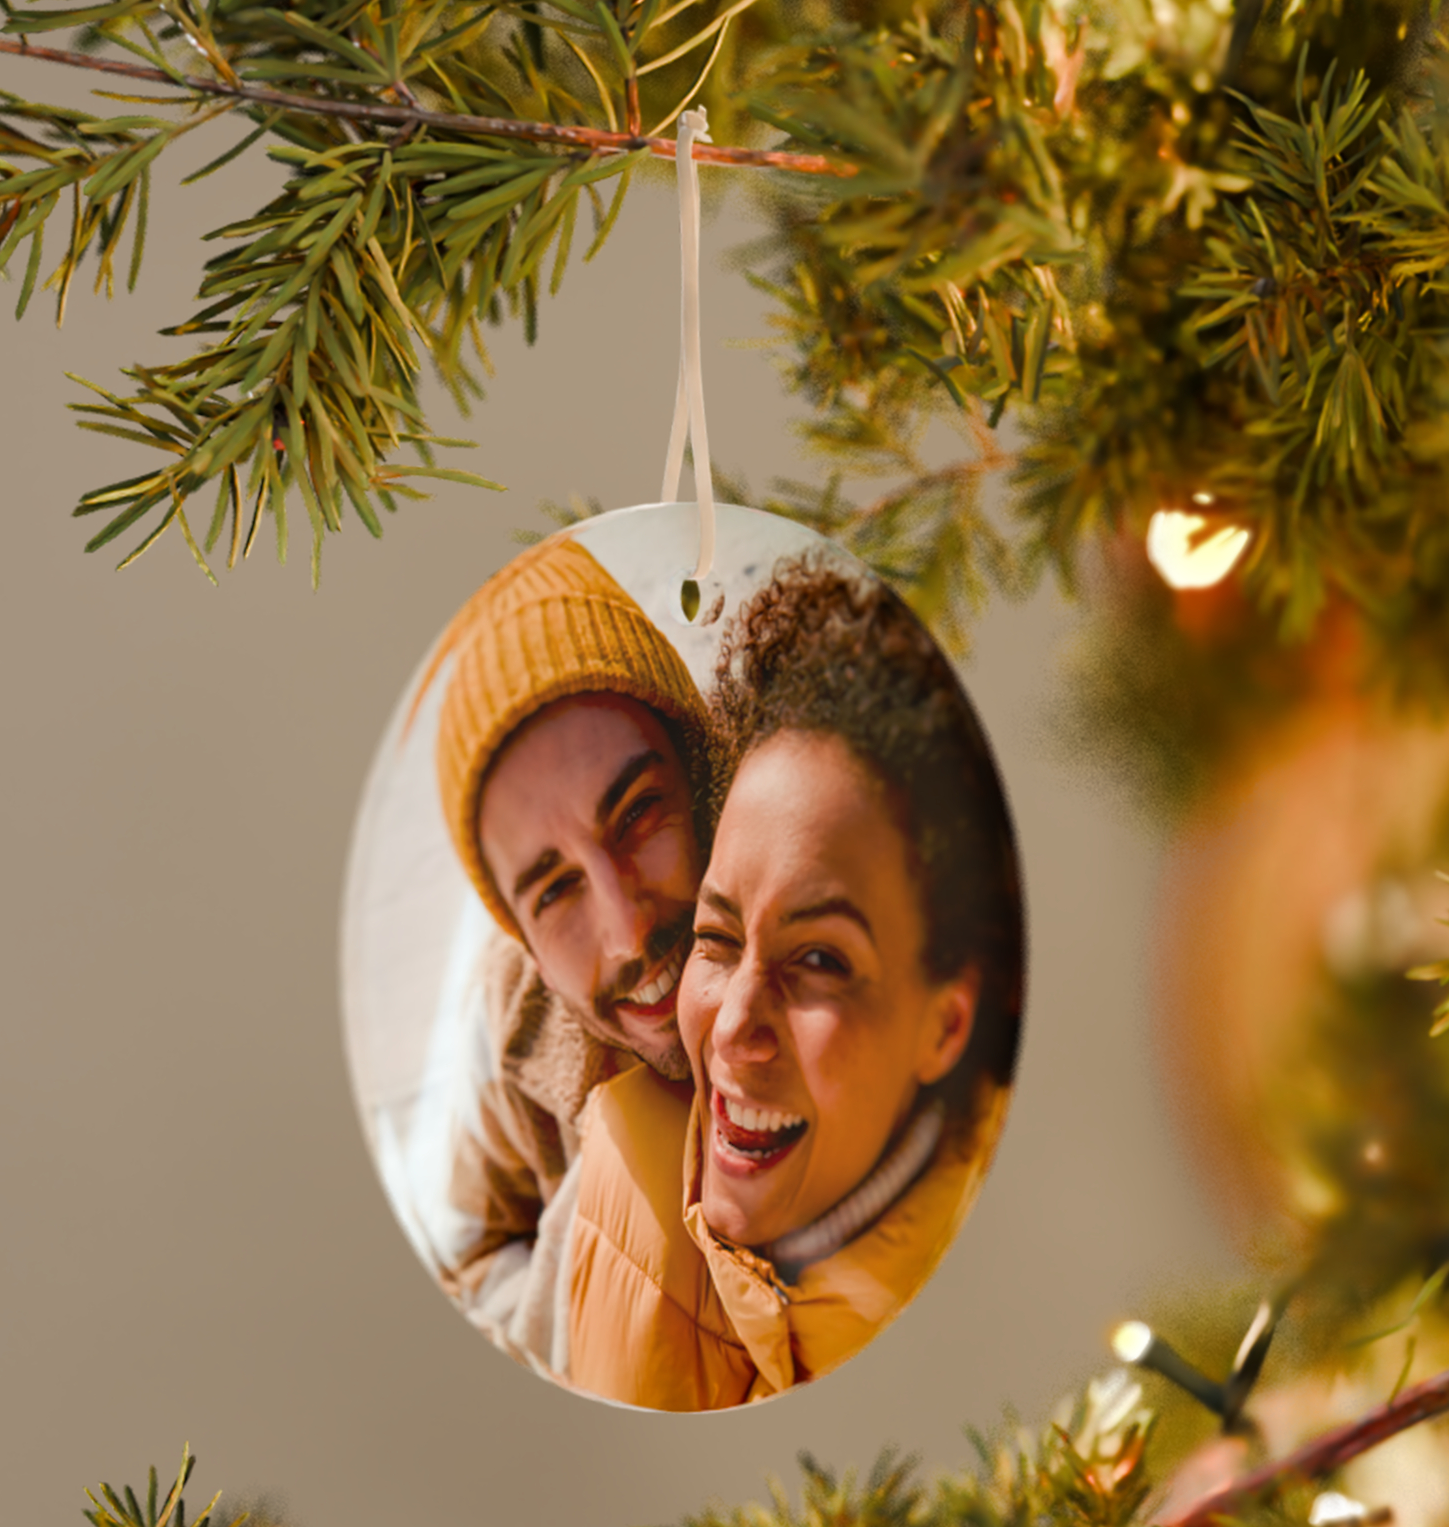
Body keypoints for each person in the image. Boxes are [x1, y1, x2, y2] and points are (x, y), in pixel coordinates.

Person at [554, 558, 1024, 1411]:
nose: (733, 1024)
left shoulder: (1001, 1312)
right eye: (717, 936)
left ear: (946, 1026)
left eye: (820, 961)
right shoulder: (621, 1177)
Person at [411, 536, 715, 1368]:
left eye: (639, 815)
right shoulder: (508, 1023)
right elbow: (467, 1262)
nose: (624, 930)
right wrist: (588, 1283)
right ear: (521, 938)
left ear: (707, 775)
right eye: (554, 891)